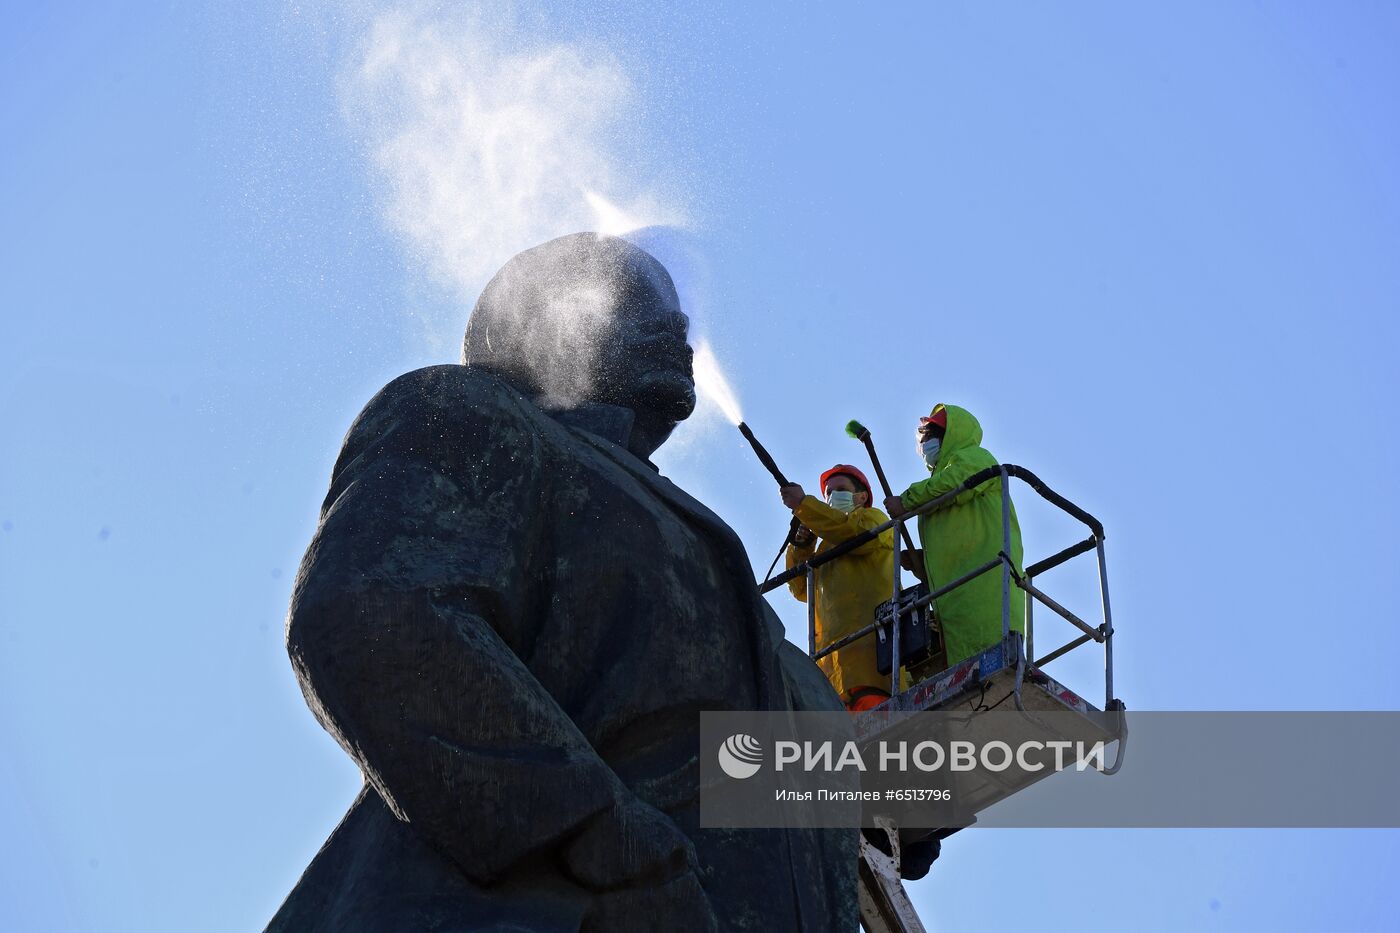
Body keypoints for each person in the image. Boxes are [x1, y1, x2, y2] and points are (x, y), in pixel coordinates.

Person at [268, 234, 857, 933]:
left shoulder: (737, 604)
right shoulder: (477, 417)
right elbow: (372, 611)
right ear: (539, 323)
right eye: (637, 301)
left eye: (674, 308)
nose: (675, 327)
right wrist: (605, 840)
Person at [884, 404, 1025, 667]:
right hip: (959, 596)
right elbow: (958, 538)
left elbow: (956, 483)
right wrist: (925, 563)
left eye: (928, 437)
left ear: (949, 435)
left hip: (986, 589)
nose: (924, 445)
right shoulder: (936, 490)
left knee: (988, 652)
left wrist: (907, 501)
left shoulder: (975, 457)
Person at [781, 464, 901, 711]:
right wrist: (802, 547)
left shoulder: (873, 518)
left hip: (872, 660)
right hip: (834, 668)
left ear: (861, 497)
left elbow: (854, 535)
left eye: (841, 489)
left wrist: (805, 505)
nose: (832, 496)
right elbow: (802, 590)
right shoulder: (826, 546)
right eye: (828, 492)